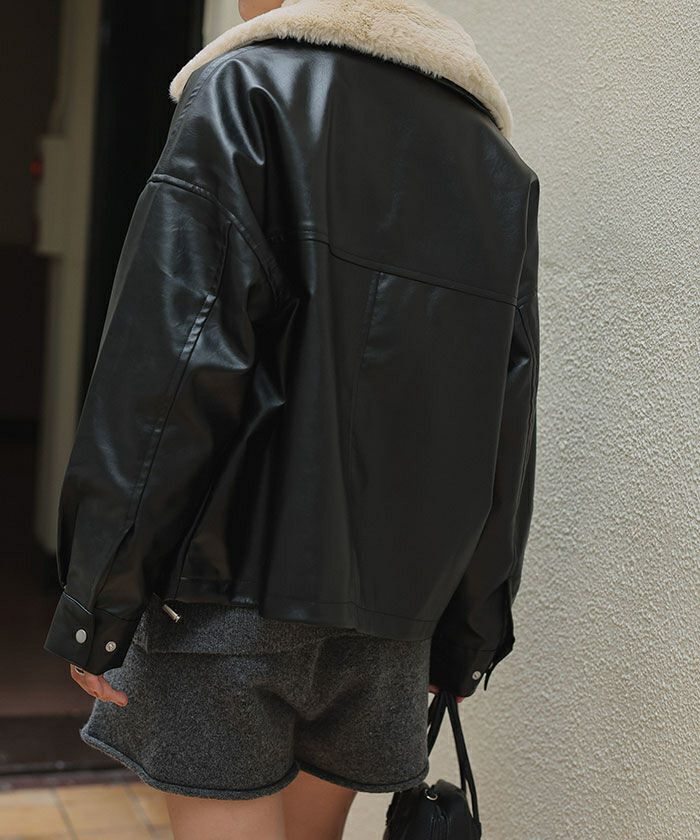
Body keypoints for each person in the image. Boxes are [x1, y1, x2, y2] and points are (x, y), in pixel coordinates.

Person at [43, 0, 540, 837]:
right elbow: (506, 420)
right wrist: (470, 631)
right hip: (391, 623)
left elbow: (170, 359)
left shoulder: (246, 91)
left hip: (222, 600)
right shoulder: (493, 159)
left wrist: (101, 593)